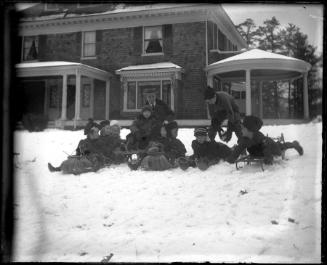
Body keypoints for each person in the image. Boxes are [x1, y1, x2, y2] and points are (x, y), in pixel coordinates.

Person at [226, 115, 304, 165]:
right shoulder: (245, 139)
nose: (241, 130)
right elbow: (239, 148)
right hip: (257, 152)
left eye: (243, 128)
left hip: (272, 147)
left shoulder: (259, 138)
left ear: (249, 130)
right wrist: (232, 158)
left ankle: (294, 144)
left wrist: (268, 157)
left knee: (281, 146)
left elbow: (266, 147)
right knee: (279, 145)